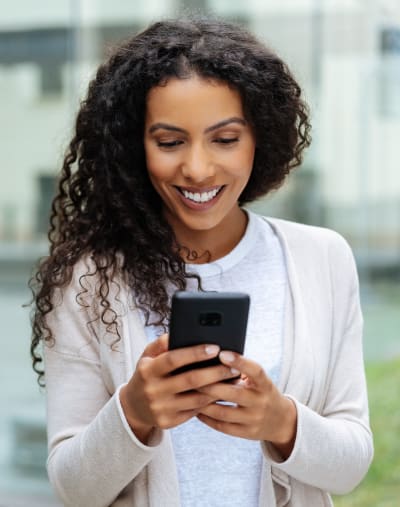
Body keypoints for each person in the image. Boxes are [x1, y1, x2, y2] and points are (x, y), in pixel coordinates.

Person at [30, 16, 373, 507]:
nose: (196, 167)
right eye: (169, 142)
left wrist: (280, 421)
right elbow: (73, 489)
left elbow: (352, 465)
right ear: (133, 147)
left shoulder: (322, 259)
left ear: (261, 138)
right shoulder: (88, 281)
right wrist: (134, 412)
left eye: (226, 139)